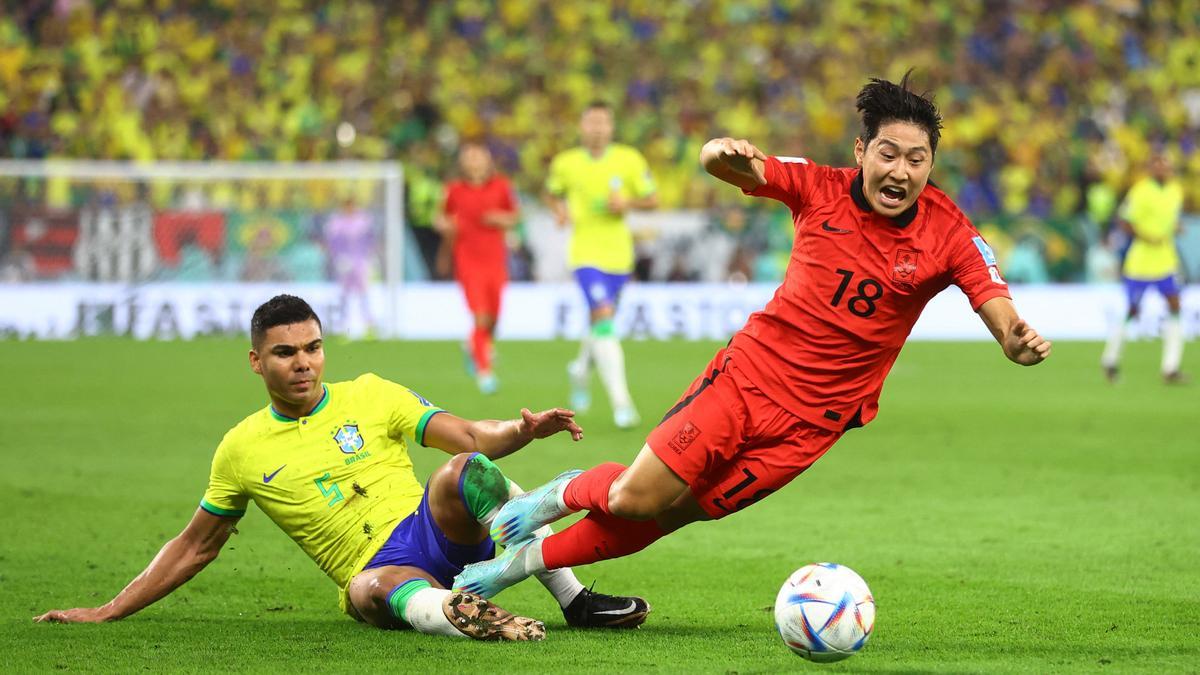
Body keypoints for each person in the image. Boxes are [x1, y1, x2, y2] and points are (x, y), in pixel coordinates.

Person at [454, 73, 1052, 599]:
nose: (901, 171)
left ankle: (514, 567)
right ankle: (560, 494)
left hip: (811, 427)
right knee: (637, 498)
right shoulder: (818, 187)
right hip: (746, 382)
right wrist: (722, 150)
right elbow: (725, 163)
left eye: (916, 160)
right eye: (888, 154)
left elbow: (992, 297)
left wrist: (1012, 338)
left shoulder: (949, 232)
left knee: (668, 515)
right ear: (861, 151)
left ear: (930, 166)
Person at [34, 295, 649, 640]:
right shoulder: (241, 448)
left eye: (313, 347)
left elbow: (466, 433)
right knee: (363, 591)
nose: (303, 363)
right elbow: (196, 545)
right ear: (256, 361)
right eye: (285, 353)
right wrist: (110, 609)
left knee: (466, 466)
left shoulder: (371, 393)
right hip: (382, 570)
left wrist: (521, 430)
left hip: (432, 527)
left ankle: (574, 600)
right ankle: (464, 615)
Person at [546, 101, 658, 429]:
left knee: (599, 325)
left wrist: (627, 202)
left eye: (602, 122)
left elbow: (652, 199)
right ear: (582, 126)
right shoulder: (566, 163)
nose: (597, 128)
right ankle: (623, 405)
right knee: (605, 321)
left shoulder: (629, 159)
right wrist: (559, 211)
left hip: (619, 256)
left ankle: (580, 370)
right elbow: (552, 193)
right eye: (591, 122)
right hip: (585, 255)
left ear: (611, 127)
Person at [439, 142, 520, 394]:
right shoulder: (454, 190)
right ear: (462, 163)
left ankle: (473, 346)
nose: (474, 161)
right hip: (468, 260)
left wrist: (499, 218)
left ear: (488, 161)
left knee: (493, 320)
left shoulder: (502, 186)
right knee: (480, 316)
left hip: (495, 260)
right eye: (469, 157)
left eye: (478, 157)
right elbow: (443, 218)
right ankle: (485, 372)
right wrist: (446, 231)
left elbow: (515, 216)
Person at [1101, 151, 1187, 384]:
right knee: (1133, 310)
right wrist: (1146, 236)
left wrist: (1175, 227)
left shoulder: (1175, 190)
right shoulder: (1140, 191)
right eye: (1157, 165)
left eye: (1165, 165)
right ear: (1151, 169)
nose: (1162, 169)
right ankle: (1110, 359)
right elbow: (1124, 220)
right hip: (1140, 262)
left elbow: (1168, 219)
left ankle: (1170, 368)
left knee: (1175, 305)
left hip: (1166, 260)